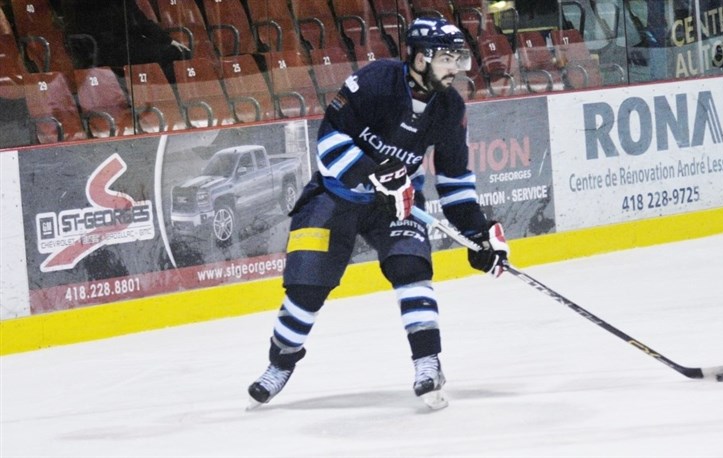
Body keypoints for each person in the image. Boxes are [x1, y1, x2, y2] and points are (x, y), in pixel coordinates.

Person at [247, 17, 510, 410]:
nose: (455, 67)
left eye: (459, 58)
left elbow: (455, 179)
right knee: (306, 288)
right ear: (419, 59)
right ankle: (280, 363)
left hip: (397, 204)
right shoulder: (376, 81)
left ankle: (427, 362)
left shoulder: (450, 107)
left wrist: (479, 232)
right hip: (335, 196)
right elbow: (329, 139)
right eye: (446, 58)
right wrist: (372, 171)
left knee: (411, 269)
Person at [63, 0, 190, 79]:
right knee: (162, 54)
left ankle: (174, 100)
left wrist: (168, 40)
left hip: (130, 42)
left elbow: (142, 21)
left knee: (179, 53)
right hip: (107, 47)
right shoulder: (86, 4)